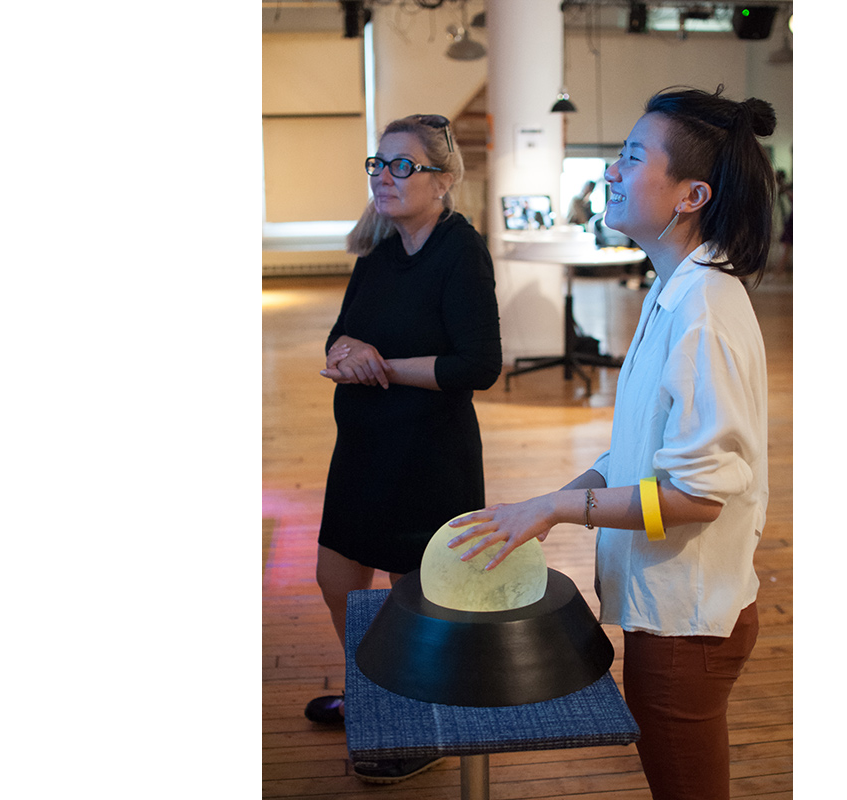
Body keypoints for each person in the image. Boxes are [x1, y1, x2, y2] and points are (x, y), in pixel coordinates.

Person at [447, 86, 775, 800]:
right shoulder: (676, 293)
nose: (612, 173)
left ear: (691, 196)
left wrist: (564, 513)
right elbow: (634, 457)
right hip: (669, 613)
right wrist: (544, 503)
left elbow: (695, 497)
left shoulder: (704, 313)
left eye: (630, 157)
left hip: (688, 625)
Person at [306, 113, 502, 784]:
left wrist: (379, 363)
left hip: (427, 456)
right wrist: (346, 352)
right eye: (378, 163)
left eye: (403, 165)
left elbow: (477, 365)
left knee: (410, 600)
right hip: (361, 448)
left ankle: (419, 724)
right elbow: (338, 339)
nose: (384, 177)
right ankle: (376, 691)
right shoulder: (380, 250)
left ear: (444, 180)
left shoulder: (460, 251)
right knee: (337, 581)